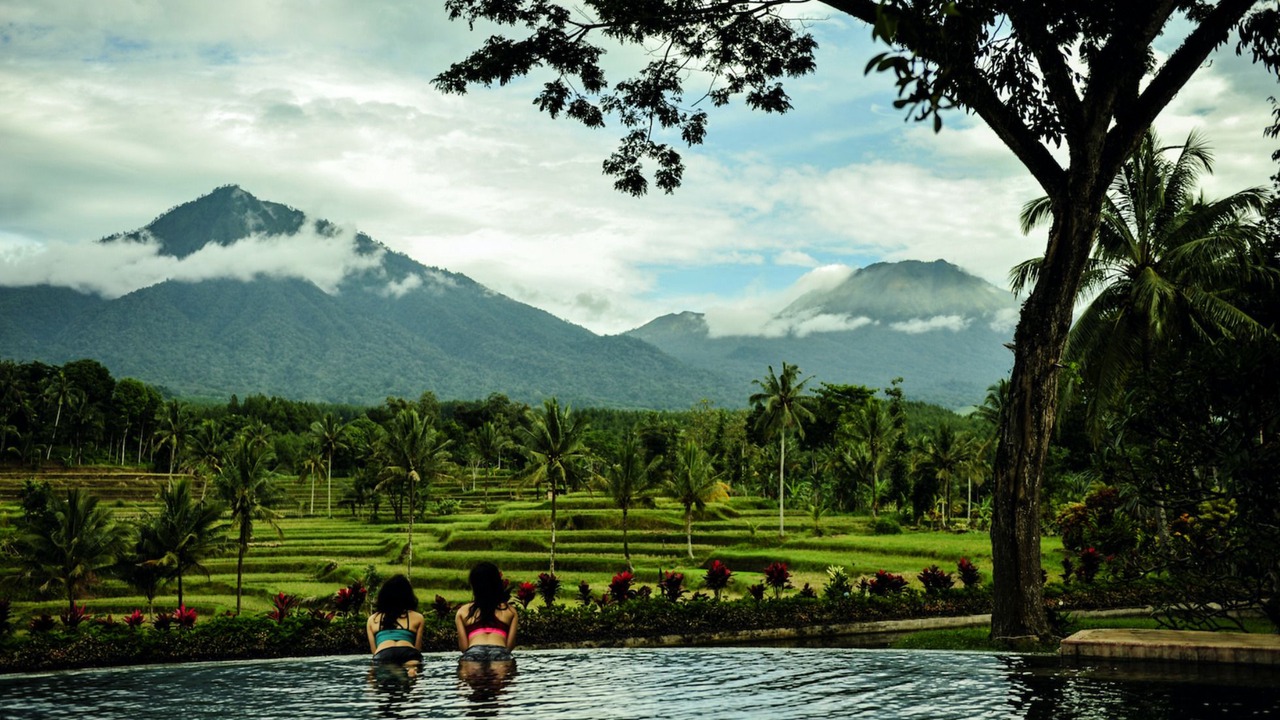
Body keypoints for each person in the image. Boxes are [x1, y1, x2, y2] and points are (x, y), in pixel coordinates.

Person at [455, 562, 519, 663]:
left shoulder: (462, 612)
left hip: (473, 654)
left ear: (474, 585)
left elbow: (464, 648)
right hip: (500, 653)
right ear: (497, 583)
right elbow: (510, 646)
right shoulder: (510, 611)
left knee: (466, 678)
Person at [367, 574, 426, 666]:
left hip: (384, 654)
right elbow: (417, 649)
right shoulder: (418, 617)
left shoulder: (372, 619)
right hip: (408, 652)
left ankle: (395, 671)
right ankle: (410, 670)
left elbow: (375, 652)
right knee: (413, 666)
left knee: (383, 668)